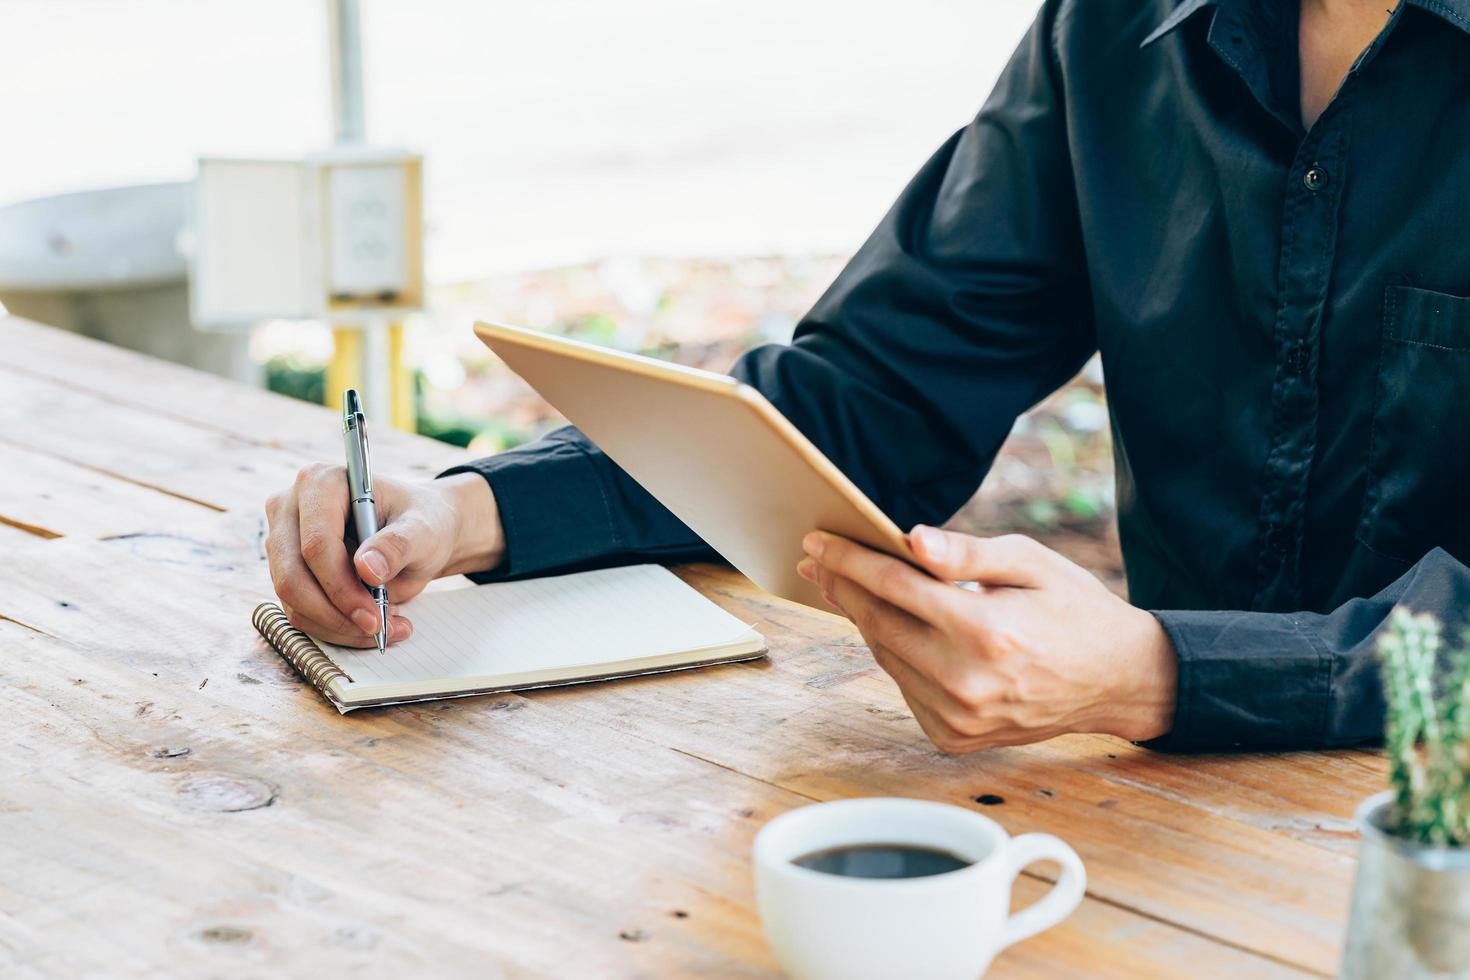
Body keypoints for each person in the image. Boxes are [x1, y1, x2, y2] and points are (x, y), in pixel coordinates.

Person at [266, 0, 1470, 753]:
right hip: (1153, 808)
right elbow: (881, 390)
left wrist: (1161, 673)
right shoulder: (1107, 34)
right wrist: (473, 511)